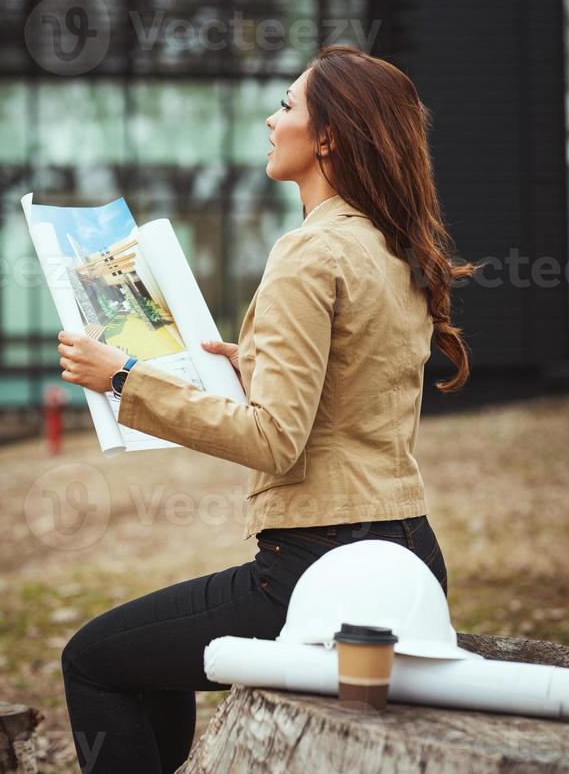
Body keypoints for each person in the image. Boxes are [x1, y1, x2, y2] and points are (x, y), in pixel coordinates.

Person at [58, 44, 479, 773]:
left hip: (315, 570)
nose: (269, 117)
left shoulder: (307, 253)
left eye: (287, 105)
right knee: (145, 659)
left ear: (328, 137)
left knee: (92, 660)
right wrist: (256, 370)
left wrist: (124, 377)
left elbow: (275, 441)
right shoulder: (388, 245)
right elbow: (354, 390)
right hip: (410, 555)